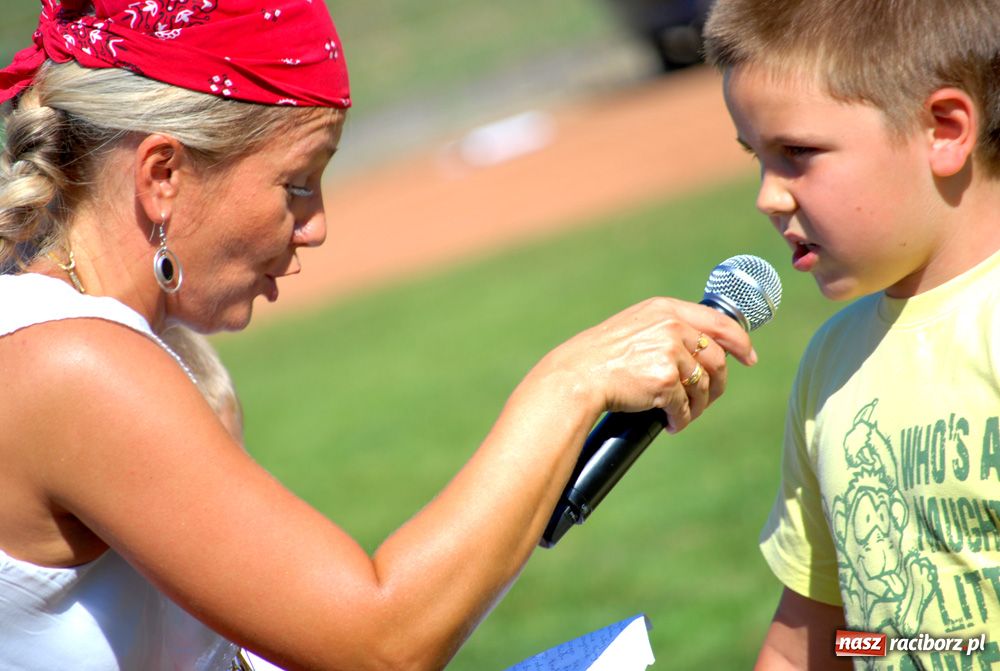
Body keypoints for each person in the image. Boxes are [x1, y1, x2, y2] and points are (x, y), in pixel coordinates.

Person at [0, 1, 756, 669]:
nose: (316, 225)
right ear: (162, 175)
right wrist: (573, 382)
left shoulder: (84, 346)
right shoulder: (75, 363)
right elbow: (382, 643)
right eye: (298, 182)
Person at [702, 0, 1000, 668]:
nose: (768, 197)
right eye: (758, 158)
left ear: (944, 130)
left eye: (797, 154)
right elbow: (814, 638)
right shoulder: (832, 363)